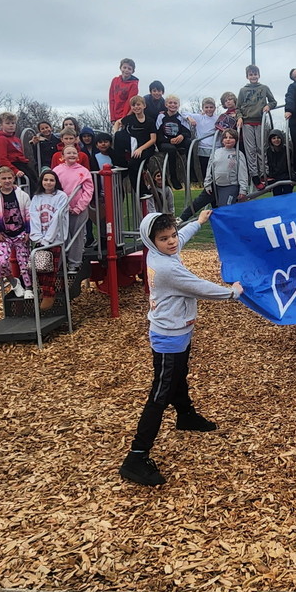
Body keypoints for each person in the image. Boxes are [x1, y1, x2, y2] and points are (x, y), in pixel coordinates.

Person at [118, 210, 243, 487]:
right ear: (152, 242)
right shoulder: (166, 268)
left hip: (179, 330)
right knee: (160, 394)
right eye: (164, 238)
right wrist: (232, 293)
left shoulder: (162, 252)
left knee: (178, 375)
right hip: (168, 337)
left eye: (172, 235)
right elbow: (199, 287)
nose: (172, 241)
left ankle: (185, 415)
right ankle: (136, 456)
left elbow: (181, 238)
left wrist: (197, 223)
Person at [0, 166, 33, 299]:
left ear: (14, 179)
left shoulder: (22, 195)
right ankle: (14, 282)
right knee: (1, 262)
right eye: (3, 178)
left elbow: (28, 214)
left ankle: (28, 287)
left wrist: (28, 231)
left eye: (9, 178)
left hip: (20, 232)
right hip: (2, 234)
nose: (7, 181)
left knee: (24, 262)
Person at [179, 129, 248, 220]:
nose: (228, 140)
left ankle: (227, 228)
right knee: (198, 202)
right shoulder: (217, 152)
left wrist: (243, 189)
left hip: (230, 186)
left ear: (235, 140)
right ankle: (181, 219)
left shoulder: (238, 154)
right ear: (222, 140)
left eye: (231, 138)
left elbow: (243, 172)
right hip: (214, 185)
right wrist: (207, 183)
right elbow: (209, 168)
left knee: (225, 209)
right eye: (225, 137)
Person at [28, 169, 69, 311]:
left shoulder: (61, 196)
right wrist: (38, 237)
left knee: (50, 268)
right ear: (41, 181)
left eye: (51, 180)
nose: (48, 182)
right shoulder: (36, 197)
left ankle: (49, 294)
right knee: (38, 266)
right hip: (40, 238)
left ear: (56, 182)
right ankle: (44, 291)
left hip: (55, 239)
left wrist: (48, 239)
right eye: (46, 180)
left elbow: (58, 218)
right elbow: (33, 216)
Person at [54, 146, 94, 274]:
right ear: (63, 156)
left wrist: (78, 207)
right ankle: (61, 262)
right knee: (61, 235)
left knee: (77, 235)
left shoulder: (83, 171)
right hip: (62, 209)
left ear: (78, 156)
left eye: (74, 153)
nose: (71, 155)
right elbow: (53, 188)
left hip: (78, 209)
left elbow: (88, 191)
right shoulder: (57, 170)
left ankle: (74, 263)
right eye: (68, 153)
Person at [237, 64, 278, 190]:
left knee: (262, 148)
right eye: (251, 74)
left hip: (260, 121)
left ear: (259, 75)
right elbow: (238, 107)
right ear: (247, 76)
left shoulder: (264, 88)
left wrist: (269, 106)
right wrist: (239, 117)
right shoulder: (243, 90)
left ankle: (264, 174)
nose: (253, 76)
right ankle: (254, 176)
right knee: (251, 151)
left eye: (255, 74)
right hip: (248, 122)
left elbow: (273, 101)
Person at [116, 95, 157, 191]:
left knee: (134, 165)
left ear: (144, 106)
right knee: (118, 135)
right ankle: (120, 162)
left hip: (146, 147)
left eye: (138, 104)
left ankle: (142, 190)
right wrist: (115, 132)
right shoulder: (130, 118)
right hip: (134, 146)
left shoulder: (150, 121)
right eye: (133, 105)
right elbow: (118, 122)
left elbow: (153, 139)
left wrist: (140, 149)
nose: (136, 107)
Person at [0, 111, 37, 189]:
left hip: (23, 165)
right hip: (11, 167)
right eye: (8, 123)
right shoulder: (1, 139)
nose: (11, 125)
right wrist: (15, 171)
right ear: (1, 125)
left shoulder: (16, 139)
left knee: (36, 183)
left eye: (13, 123)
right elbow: (2, 159)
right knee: (29, 186)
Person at [155, 95, 191, 191]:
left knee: (189, 142)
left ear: (178, 105)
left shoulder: (180, 117)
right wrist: (168, 140)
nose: (173, 105)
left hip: (177, 141)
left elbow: (187, 132)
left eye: (175, 103)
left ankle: (191, 171)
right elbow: (158, 133)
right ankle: (173, 177)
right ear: (166, 104)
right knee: (171, 149)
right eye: (170, 103)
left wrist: (181, 136)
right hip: (165, 142)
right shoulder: (161, 116)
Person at [186, 96, 220, 183]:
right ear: (203, 108)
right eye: (206, 107)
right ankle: (208, 189)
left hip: (216, 148)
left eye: (211, 107)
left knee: (216, 171)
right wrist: (190, 118)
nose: (209, 109)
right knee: (205, 172)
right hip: (203, 148)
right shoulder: (199, 117)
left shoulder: (218, 118)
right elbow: (182, 113)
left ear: (215, 108)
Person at [109, 58, 139, 132]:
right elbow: (111, 99)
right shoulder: (115, 80)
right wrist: (112, 118)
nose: (126, 70)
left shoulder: (133, 85)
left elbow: (129, 103)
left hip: (125, 116)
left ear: (132, 71)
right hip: (115, 116)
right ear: (120, 68)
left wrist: (124, 118)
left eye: (129, 69)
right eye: (124, 67)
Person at [265, 129, 293, 196]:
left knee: (288, 197)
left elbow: (292, 164)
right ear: (270, 140)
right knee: (277, 197)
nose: (276, 140)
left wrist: (292, 177)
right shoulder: (268, 151)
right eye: (274, 138)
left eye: (278, 138)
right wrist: (269, 180)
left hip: (286, 178)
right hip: (275, 179)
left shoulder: (287, 150)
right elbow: (269, 165)